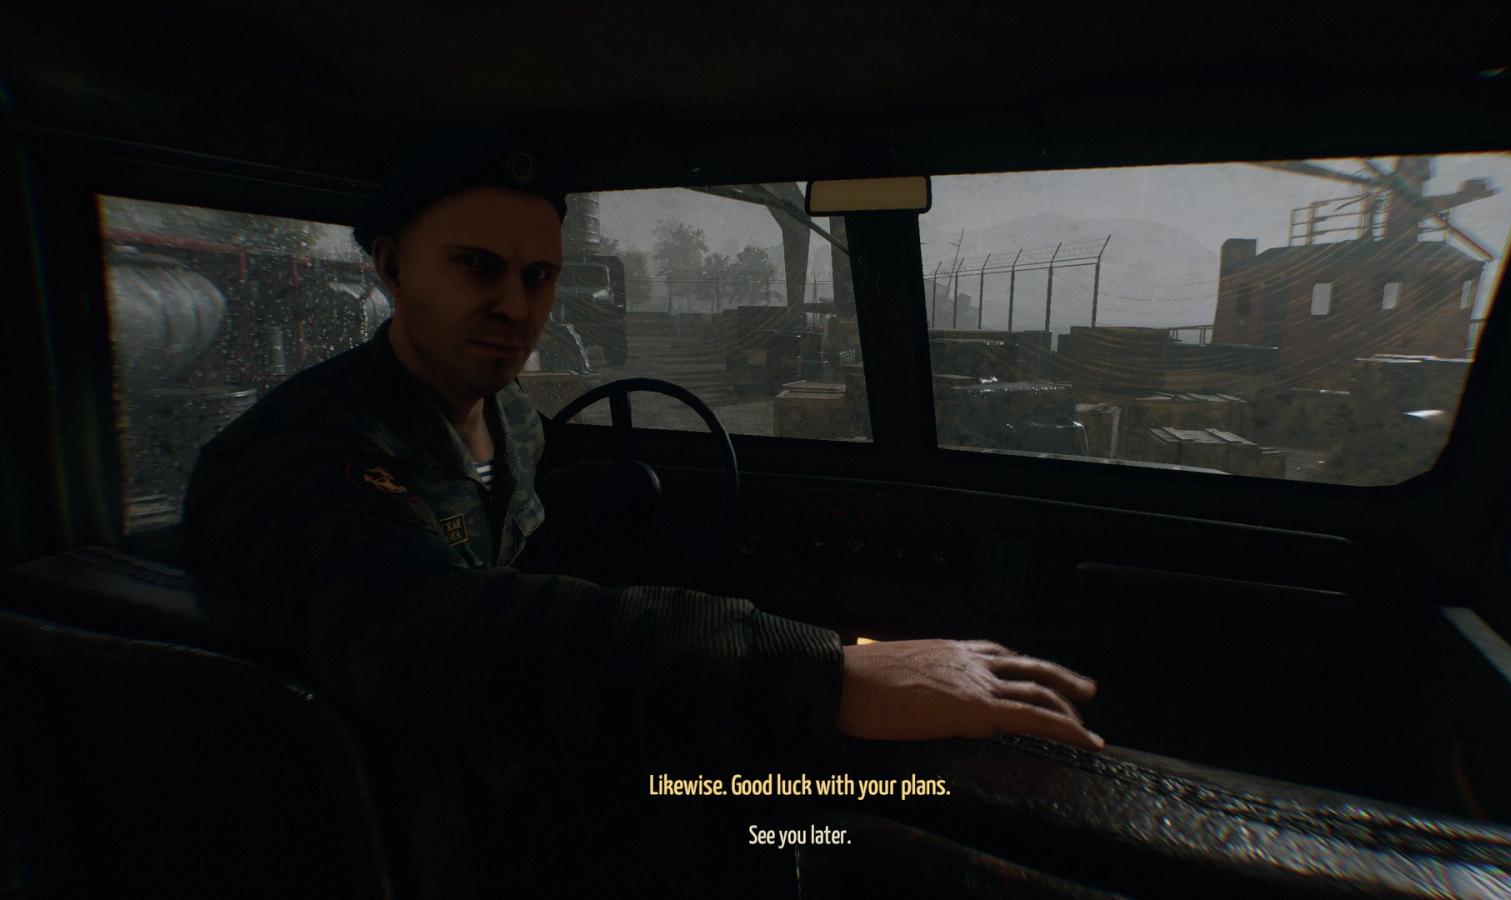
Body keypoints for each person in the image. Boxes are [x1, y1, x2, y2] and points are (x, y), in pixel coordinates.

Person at [183, 127, 1103, 894]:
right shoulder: (302, 453)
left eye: (540, 276)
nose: (515, 306)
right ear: (391, 265)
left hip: (500, 760)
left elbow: (523, 576)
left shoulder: (511, 423)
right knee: (763, 821)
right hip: (409, 816)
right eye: (477, 267)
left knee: (807, 815)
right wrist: (819, 671)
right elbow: (427, 628)